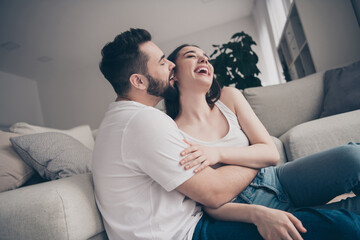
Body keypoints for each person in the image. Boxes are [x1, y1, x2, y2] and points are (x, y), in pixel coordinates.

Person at [93, 28, 360, 240]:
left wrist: (225, 154)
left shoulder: (126, 121)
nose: (170, 67)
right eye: (163, 63)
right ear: (138, 81)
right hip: (198, 228)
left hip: (268, 183)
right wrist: (257, 162)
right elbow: (213, 194)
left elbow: (266, 156)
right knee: (343, 226)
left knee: (352, 159)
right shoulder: (147, 123)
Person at [164, 43, 360, 220]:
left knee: (354, 156)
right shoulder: (172, 133)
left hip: (277, 178)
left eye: (205, 56)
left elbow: (270, 154)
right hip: (246, 210)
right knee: (347, 221)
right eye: (191, 55)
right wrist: (259, 214)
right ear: (173, 76)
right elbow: (206, 202)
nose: (204, 59)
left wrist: (217, 154)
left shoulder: (229, 98)